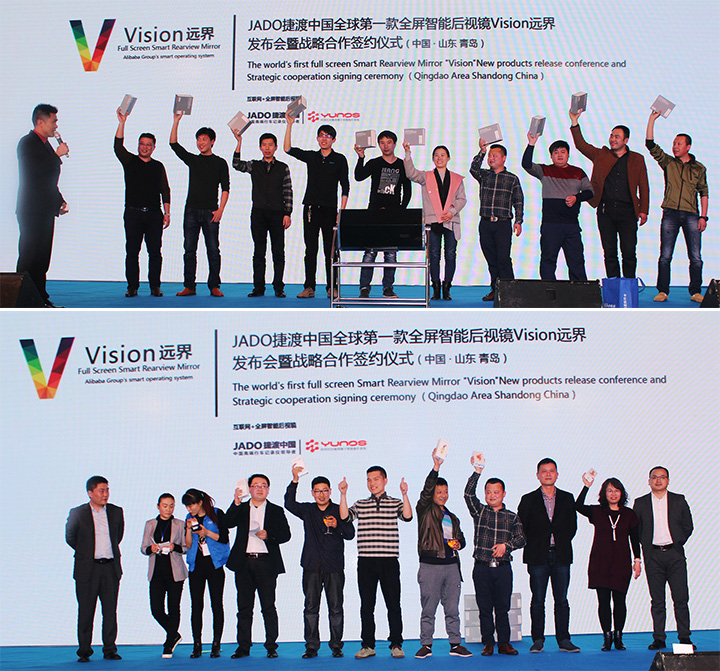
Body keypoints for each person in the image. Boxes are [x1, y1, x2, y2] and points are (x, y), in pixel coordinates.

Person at [339, 466, 413, 659]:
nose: (372, 483)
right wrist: (343, 494)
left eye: (376, 479)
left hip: (389, 562)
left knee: (393, 605)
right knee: (367, 606)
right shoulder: (361, 504)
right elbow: (345, 517)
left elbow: (407, 516)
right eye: (369, 479)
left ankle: (396, 644)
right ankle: (367, 645)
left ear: (385, 481)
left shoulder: (395, 502)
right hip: (366, 562)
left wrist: (405, 494)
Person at [284, 466, 355, 658]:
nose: (321, 494)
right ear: (312, 493)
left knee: (336, 608)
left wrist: (337, 525)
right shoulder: (307, 510)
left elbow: (350, 534)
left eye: (324, 491)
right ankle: (311, 646)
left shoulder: (339, 509)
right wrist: (295, 480)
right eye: (317, 491)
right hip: (312, 566)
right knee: (310, 608)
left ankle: (336, 646)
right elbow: (289, 504)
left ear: (330, 491)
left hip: (334, 567)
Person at [569, 108, 649, 279]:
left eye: (617, 136)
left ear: (626, 140)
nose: (613, 139)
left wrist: (644, 210)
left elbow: (644, 186)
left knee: (629, 252)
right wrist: (575, 122)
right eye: (611, 136)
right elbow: (581, 145)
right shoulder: (601, 155)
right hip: (606, 211)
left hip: (628, 212)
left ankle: (628, 286)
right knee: (610, 253)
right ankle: (614, 286)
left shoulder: (637, 159)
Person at [464, 454, 525, 657]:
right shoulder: (480, 512)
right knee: (484, 608)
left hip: (503, 569)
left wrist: (506, 546)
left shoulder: (512, 517)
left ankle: (504, 643)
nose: (492, 495)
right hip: (481, 567)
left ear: (503, 494)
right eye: (488, 492)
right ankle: (488, 643)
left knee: (502, 608)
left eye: (496, 492)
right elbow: (468, 494)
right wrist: (477, 471)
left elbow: (522, 539)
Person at [414, 449, 472, 659]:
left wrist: (459, 544)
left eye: (445, 491)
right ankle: (426, 645)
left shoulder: (452, 517)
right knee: (428, 609)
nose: (443, 495)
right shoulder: (425, 510)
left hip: (452, 567)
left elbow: (462, 539)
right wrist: (436, 467)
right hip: (430, 566)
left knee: (452, 609)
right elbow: (426, 492)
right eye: (439, 491)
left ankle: (455, 644)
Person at [284, 112, 349, 299]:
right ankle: (309, 287)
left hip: (330, 210)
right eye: (321, 135)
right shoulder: (312, 157)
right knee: (311, 249)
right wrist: (289, 124)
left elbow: (345, 186)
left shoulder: (340, 159)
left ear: (333, 140)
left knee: (331, 250)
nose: (324, 139)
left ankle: (332, 287)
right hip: (311, 208)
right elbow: (288, 149)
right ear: (317, 138)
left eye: (328, 136)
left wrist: (341, 211)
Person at [645, 112, 709, 303]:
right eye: (674, 143)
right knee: (665, 255)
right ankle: (663, 291)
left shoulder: (699, 168)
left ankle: (695, 291)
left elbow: (704, 192)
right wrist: (652, 119)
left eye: (679, 144)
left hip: (692, 215)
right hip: (670, 213)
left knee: (695, 256)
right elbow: (650, 145)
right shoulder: (669, 163)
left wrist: (703, 217)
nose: (675, 146)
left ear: (688, 147)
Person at [226, 474, 291, 658]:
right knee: (244, 608)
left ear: (268, 489)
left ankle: (271, 646)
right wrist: (236, 503)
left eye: (263, 485)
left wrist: (268, 535)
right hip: (244, 562)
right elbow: (227, 523)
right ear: (249, 489)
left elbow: (286, 535)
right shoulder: (241, 508)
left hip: (266, 563)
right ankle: (243, 647)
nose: (260, 489)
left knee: (268, 606)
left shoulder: (276, 510)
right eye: (255, 485)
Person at [517, 458, 579, 653]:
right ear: (538, 475)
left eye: (552, 471)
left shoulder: (567, 498)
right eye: (544, 471)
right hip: (537, 556)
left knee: (562, 600)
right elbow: (521, 527)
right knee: (538, 599)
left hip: (561, 555)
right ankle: (538, 640)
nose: (548, 474)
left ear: (557, 474)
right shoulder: (528, 499)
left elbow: (572, 527)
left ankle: (564, 640)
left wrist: (559, 541)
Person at [575, 474, 641, 651]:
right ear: (604, 493)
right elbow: (577, 506)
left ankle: (618, 636)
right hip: (600, 562)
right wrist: (586, 486)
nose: (613, 494)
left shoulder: (629, 514)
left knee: (620, 600)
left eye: (616, 490)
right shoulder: (598, 511)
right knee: (603, 601)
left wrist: (637, 560)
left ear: (622, 493)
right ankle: (607, 637)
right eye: (609, 490)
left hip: (621, 563)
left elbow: (635, 539)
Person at [633, 467, 694, 650]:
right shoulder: (641, 503)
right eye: (654, 477)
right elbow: (636, 530)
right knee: (657, 600)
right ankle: (659, 638)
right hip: (653, 556)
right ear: (649, 481)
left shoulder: (678, 500)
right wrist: (644, 549)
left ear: (668, 480)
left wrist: (677, 542)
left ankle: (684, 637)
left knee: (681, 599)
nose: (658, 480)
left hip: (675, 555)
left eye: (662, 477)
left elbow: (688, 525)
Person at [170, 112, 230, 297]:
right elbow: (174, 144)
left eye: (204, 139)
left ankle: (214, 286)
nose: (200, 142)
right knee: (189, 250)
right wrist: (176, 121)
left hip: (211, 211)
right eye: (198, 139)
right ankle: (190, 286)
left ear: (212, 141)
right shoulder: (193, 160)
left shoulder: (220, 163)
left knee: (213, 250)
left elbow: (226, 188)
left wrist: (220, 210)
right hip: (191, 211)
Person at [65, 476, 124, 662]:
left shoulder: (116, 511)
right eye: (101, 490)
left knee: (110, 611)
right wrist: (86, 551)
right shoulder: (78, 513)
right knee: (86, 611)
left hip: (110, 568)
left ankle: (110, 649)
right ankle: (84, 651)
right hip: (87, 569)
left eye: (107, 490)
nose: (105, 494)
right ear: (90, 493)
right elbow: (70, 537)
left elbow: (118, 536)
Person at [16, 103, 69, 307]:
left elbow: (49, 180)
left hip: (45, 209)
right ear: (40, 122)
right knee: (29, 256)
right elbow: (34, 173)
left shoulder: (45, 144)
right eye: (53, 121)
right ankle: (20, 299)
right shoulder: (27, 143)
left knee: (42, 258)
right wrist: (56, 156)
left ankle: (40, 298)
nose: (56, 125)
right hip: (31, 209)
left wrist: (59, 200)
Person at [115, 107, 171, 297]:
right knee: (132, 251)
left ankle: (155, 286)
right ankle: (132, 286)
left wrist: (167, 213)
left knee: (155, 252)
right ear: (138, 145)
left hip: (154, 214)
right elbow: (118, 147)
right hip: (133, 213)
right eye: (142, 144)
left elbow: (165, 190)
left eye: (148, 144)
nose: (144, 147)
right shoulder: (129, 161)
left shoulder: (158, 166)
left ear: (154, 147)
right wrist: (122, 122)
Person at [522, 134, 594, 281]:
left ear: (568, 154)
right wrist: (531, 143)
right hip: (550, 225)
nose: (559, 155)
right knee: (548, 261)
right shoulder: (544, 170)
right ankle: (549, 291)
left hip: (571, 226)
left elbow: (590, 192)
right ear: (551, 156)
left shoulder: (578, 172)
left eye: (563, 152)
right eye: (556, 152)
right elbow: (526, 164)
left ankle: (580, 292)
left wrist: (576, 198)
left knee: (576, 261)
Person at [231, 130, 293, 298]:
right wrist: (239, 142)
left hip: (278, 214)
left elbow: (288, 191)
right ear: (260, 147)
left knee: (278, 252)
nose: (267, 148)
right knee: (259, 252)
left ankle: (278, 287)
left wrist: (287, 213)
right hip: (258, 213)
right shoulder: (254, 165)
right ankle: (259, 287)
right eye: (264, 145)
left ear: (276, 147)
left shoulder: (283, 167)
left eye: (270, 145)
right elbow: (236, 164)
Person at [403, 143, 467, 300]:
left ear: (448, 158)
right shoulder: (426, 176)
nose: (439, 158)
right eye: (436, 155)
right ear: (433, 159)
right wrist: (408, 153)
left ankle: (447, 287)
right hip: (432, 222)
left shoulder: (457, 178)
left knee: (450, 254)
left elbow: (462, 199)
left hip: (451, 221)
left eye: (442, 155)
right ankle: (436, 287)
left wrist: (451, 212)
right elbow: (410, 173)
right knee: (433, 255)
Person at [354, 131, 412, 298]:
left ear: (395, 144)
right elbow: (358, 176)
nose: (386, 146)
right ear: (379, 145)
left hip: (393, 215)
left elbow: (407, 191)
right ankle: (364, 288)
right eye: (382, 142)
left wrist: (401, 212)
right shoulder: (374, 163)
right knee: (370, 253)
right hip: (373, 214)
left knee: (391, 253)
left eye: (389, 142)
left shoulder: (402, 165)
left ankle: (388, 288)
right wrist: (361, 157)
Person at [469, 142, 524, 302]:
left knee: (503, 259)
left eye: (495, 155)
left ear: (504, 158)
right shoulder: (484, 175)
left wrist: (518, 220)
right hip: (486, 223)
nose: (491, 158)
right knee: (491, 259)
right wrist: (482, 151)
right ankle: (496, 289)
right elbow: (473, 169)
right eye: (490, 156)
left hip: (503, 224)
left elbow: (518, 201)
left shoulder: (512, 178)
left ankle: (510, 292)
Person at [182, 488, 229, 659]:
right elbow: (188, 544)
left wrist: (206, 532)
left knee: (216, 604)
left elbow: (224, 537)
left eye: (192, 505)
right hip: (196, 565)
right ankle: (197, 644)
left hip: (214, 564)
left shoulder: (216, 514)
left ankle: (216, 643)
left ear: (200, 502)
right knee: (196, 605)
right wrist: (189, 529)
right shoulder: (189, 518)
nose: (190, 509)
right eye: (187, 506)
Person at [141, 493, 188, 658]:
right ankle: (174, 634)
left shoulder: (180, 524)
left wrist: (175, 547)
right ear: (158, 506)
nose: (168, 509)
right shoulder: (150, 524)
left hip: (175, 572)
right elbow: (143, 548)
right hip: (156, 573)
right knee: (156, 609)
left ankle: (169, 643)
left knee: (174, 607)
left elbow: (186, 547)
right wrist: (151, 549)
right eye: (165, 506)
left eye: (171, 506)